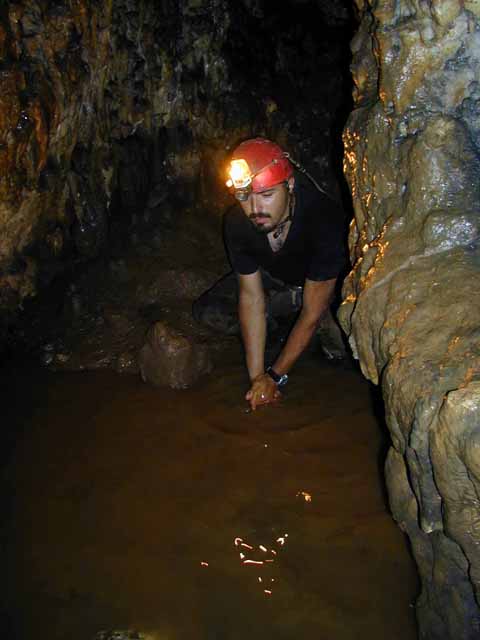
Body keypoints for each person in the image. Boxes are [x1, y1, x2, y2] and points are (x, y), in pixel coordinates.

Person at [193, 137, 347, 410]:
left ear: (289, 186)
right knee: (209, 311)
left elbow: (311, 313)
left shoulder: (323, 218)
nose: (255, 209)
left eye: (266, 196)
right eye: (245, 197)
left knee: (341, 350)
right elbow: (251, 297)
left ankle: (304, 327)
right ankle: (284, 327)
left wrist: (275, 377)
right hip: (278, 282)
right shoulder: (237, 224)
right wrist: (257, 378)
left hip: (321, 288)